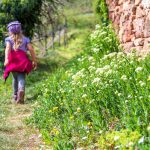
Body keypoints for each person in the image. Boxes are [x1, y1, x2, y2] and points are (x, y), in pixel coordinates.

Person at [3, 21, 37, 104]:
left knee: (15, 78)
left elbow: (7, 48)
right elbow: (31, 49)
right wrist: (34, 60)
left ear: (10, 31)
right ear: (20, 29)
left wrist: (6, 59)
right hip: (23, 62)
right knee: (21, 77)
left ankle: (15, 95)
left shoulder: (8, 39)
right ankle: (21, 90)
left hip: (13, 62)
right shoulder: (25, 39)